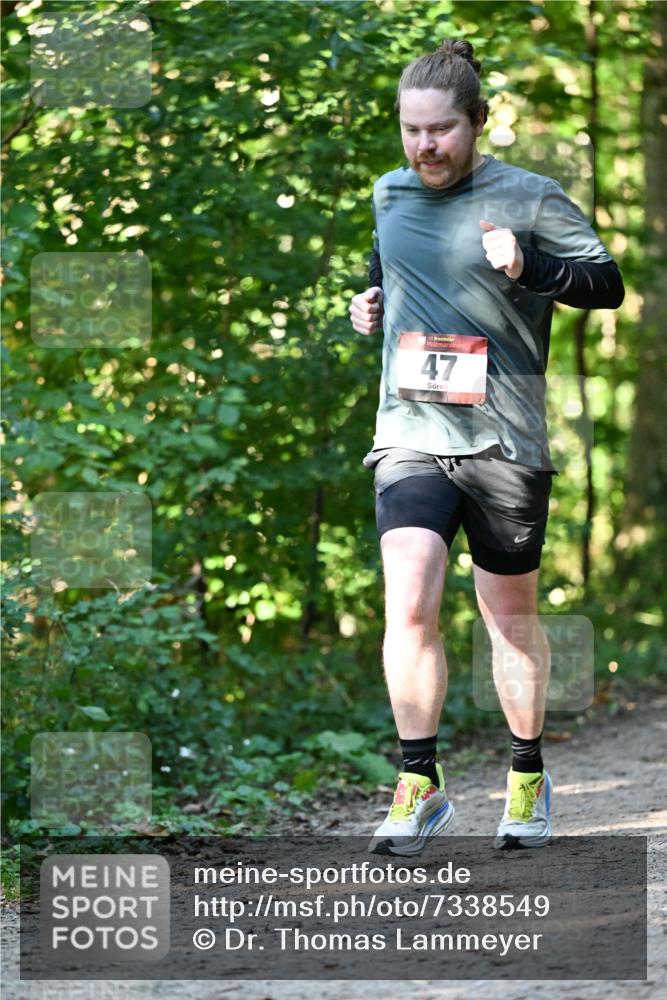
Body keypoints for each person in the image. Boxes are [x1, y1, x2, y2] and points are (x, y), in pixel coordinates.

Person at [349, 38, 624, 855]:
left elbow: (606, 283)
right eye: (410, 130)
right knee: (408, 600)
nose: (423, 146)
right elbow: (387, 266)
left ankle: (527, 773)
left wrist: (529, 263)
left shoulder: (529, 195)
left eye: (439, 130)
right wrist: (365, 303)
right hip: (409, 431)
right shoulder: (388, 192)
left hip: (504, 437)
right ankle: (418, 783)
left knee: (508, 622)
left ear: (477, 122)